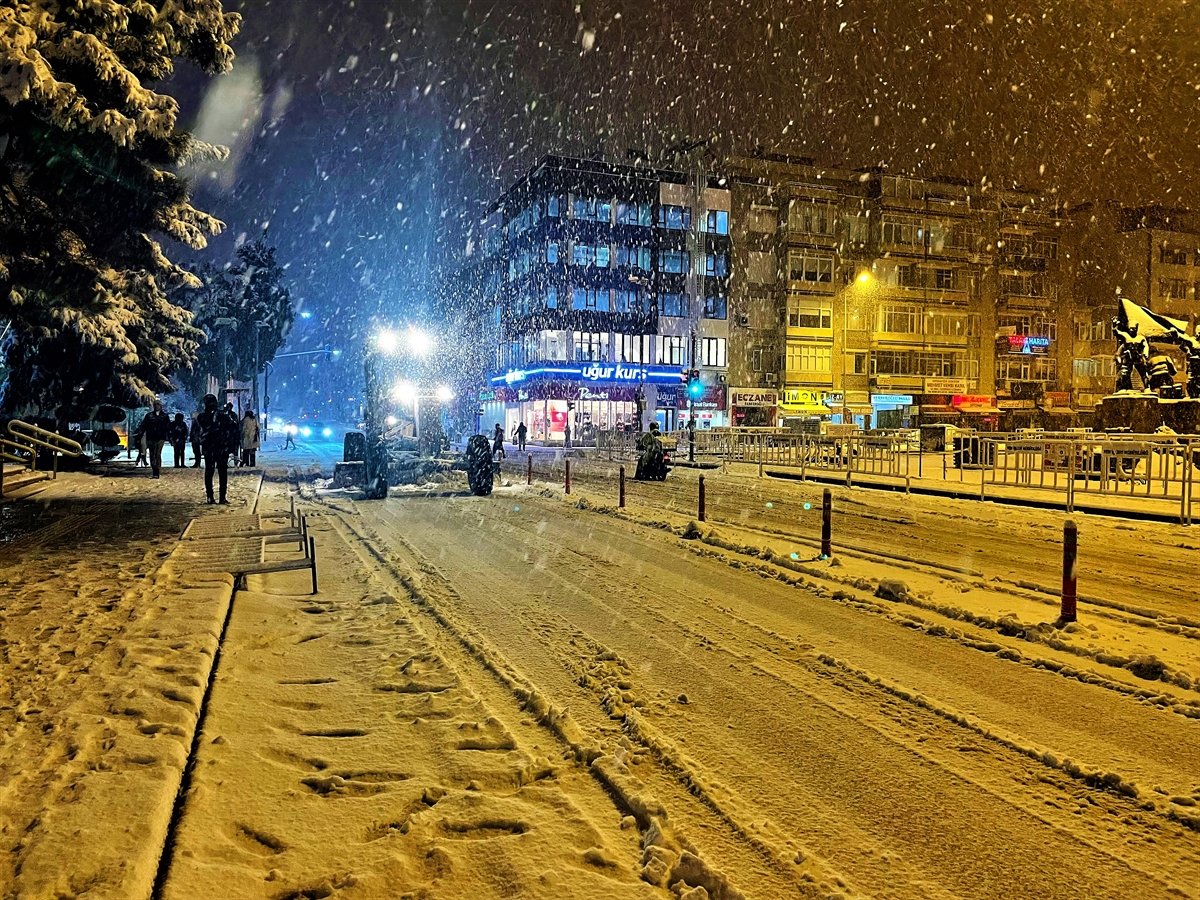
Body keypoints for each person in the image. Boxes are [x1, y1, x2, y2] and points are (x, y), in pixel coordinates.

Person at [198, 394, 237, 504]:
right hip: (218, 447)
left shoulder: (205, 416)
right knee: (220, 472)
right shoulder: (218, 415)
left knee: (211, 472)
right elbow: (233, 426)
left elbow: (232, 426)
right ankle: (220, 497)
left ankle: (212, 496)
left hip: (213, 447)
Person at [141, 400, 171, 478]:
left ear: (161, 406)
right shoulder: (149, 416)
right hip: (151, 437)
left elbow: (168, 427)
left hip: (160, 437)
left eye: (158, 404)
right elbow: (144, 425)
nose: (156, 406)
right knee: (152, 454)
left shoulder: (164, 416)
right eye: (155, 404)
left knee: (157, 453)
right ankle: (154, 470)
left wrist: (168, 436)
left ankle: (157, 471)